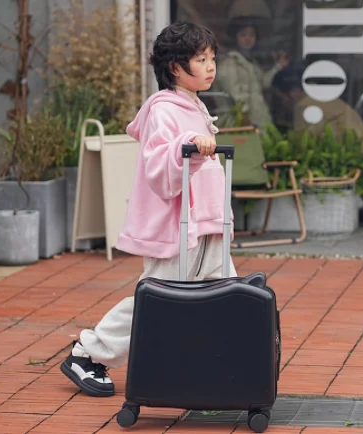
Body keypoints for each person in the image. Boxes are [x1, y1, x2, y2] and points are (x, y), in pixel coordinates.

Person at [60, 21, 237, 398]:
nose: (210, 67)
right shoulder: (163, 110)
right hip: (178, 228)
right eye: (201, 59)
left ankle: (210, 365)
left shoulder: (196, 105)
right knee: (158, 299)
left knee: (221, 294)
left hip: (205, 224)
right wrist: (189, 143)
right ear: (176, 68)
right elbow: (159, 165)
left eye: (212, 59)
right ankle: (87, 352)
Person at [215, 16, 290, 129]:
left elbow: (262, 83)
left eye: (251, 35)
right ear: (235, 37)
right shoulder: (229, 62)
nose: (248, 38)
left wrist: (278, 66)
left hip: (256, 119)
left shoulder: (250, 62)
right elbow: (234, 93)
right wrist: (244, 115)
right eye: (243, 35)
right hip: (237, 122)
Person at [272, 66, 363, 151]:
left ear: (293, 93)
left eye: (280, 98)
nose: (282, 104)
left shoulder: (303, 107)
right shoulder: (321, 96)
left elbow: (301, 148)